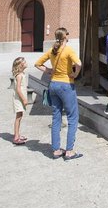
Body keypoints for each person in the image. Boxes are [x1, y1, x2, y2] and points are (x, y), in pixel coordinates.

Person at [35, 27, 83, 160]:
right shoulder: (68, 50)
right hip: (66, 85)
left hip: (53, 85)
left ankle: (56, 150)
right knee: (72, 117)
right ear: (65, 36)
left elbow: (37, 64)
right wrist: (75, 73)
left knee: (56, 117)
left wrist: (49, 71)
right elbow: (78, 63)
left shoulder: (52, 50)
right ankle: (69, 151)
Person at [11, 57, 28, 145]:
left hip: (20, 98)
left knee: (20, 116)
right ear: (20, 65)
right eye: (24, 62)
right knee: (18, 117)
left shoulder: (22, 74)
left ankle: (17, 134)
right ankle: (16, 137)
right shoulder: (19, 76)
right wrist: (24, 99)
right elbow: (18, 89)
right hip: (18, 99)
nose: (26, 63)